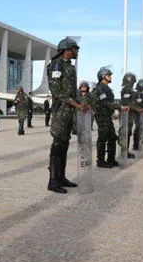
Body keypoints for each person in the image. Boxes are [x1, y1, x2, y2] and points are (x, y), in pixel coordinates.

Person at [46, 37, 84, 193]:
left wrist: (81, 103)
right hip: (61, 110)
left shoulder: (69, 67)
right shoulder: (56, 65)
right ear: (67, 49)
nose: (77, 52)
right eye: (76, 49)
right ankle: (53, 181)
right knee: (58, 144)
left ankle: (61, 177)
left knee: (65, 143)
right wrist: (75, 103)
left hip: (69, 110)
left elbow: (71, 91)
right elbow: (56, 91)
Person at [91, 67, 129, 168]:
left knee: (112, 137)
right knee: (102, 139)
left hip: (108, 117)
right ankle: (100, 161)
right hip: (102, 117)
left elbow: (110, 103)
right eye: (108, 75)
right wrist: (119, 107)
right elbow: (105, 103)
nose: (110, 77)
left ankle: (111, 159)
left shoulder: (107, 89)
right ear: (103, 77)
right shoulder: (99, 89)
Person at [119, 72, 139, 159]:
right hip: (127, 115)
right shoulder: (127, 90)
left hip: (129, 115)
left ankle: (125, 151)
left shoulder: (129, 90)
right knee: (125, 133)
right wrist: (136, 108)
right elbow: (126, 102)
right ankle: (124, 152)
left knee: (128, 133)